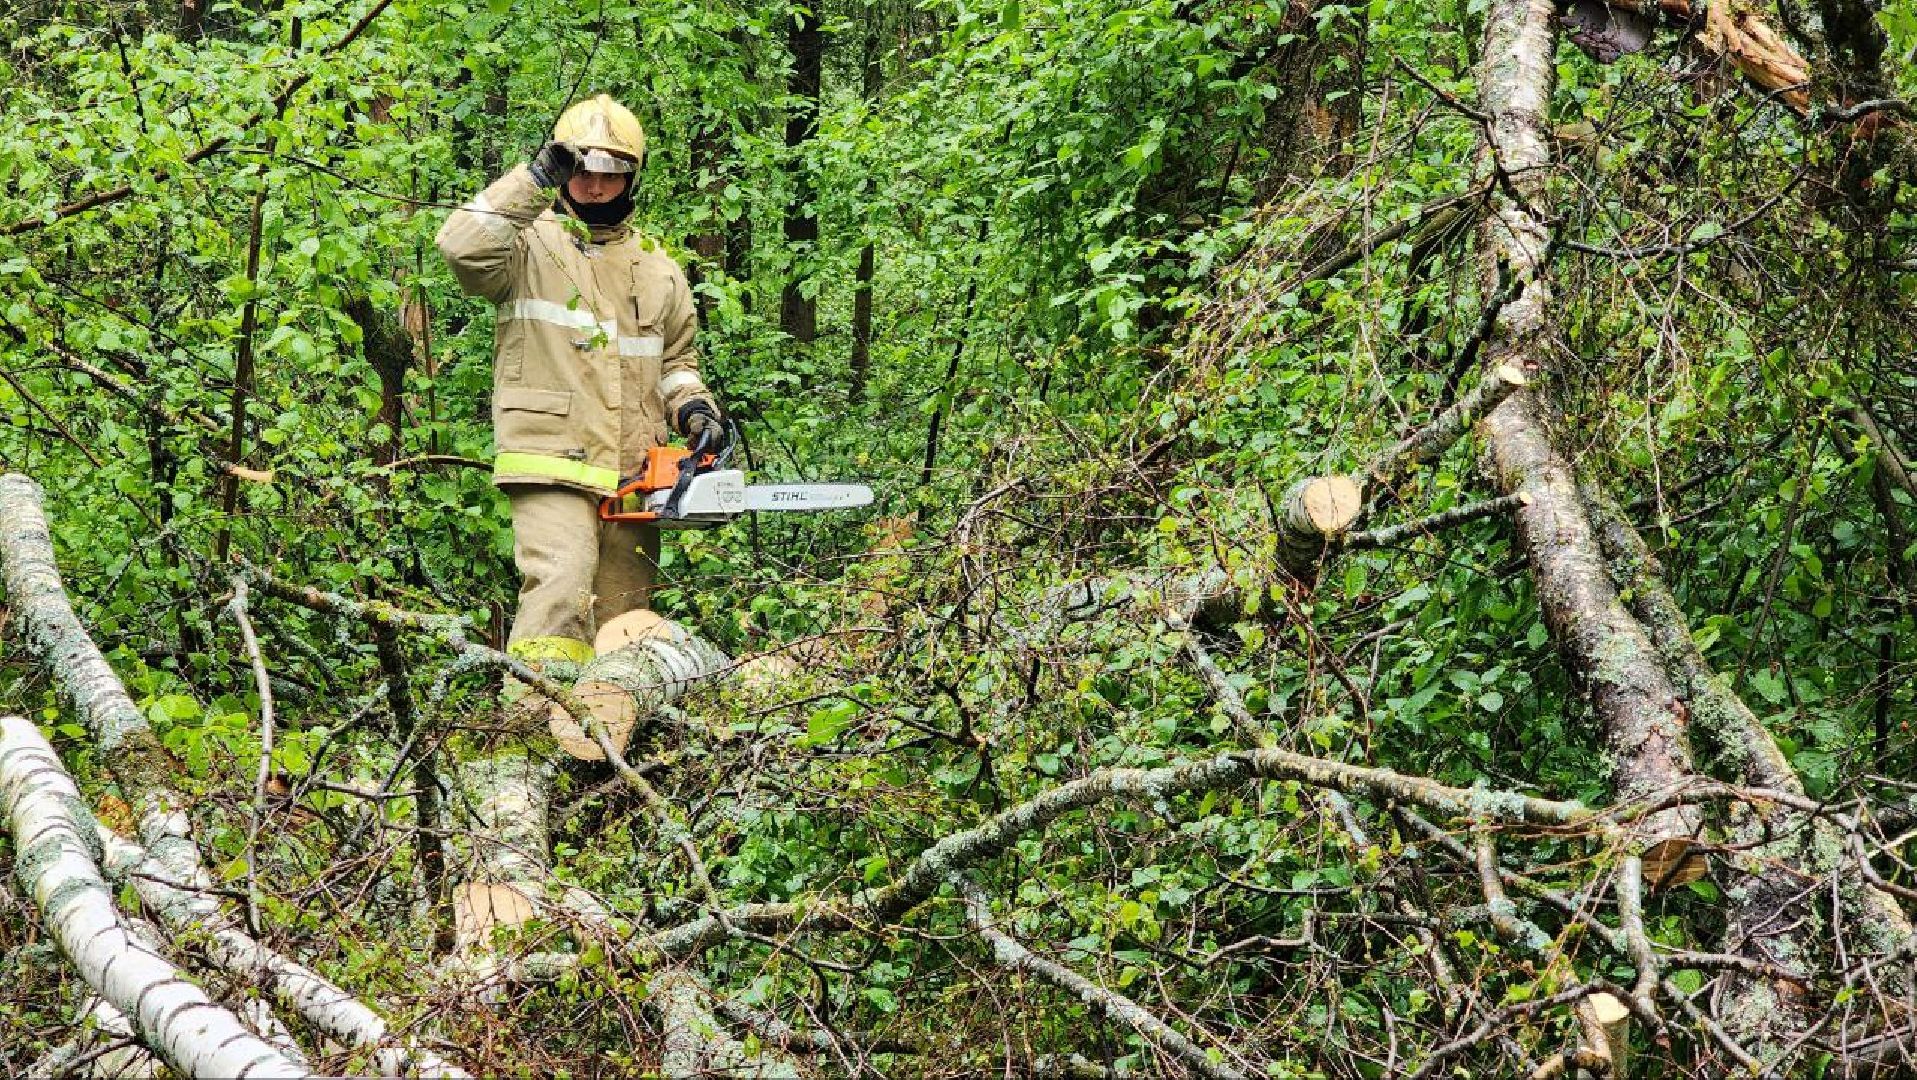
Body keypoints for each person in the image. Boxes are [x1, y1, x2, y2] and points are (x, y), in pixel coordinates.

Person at [436, 94, 726, 674]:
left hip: (633, 473)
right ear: (566, 167)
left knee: (625, 618)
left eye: (611, 175)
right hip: (551, 457)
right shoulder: (525, 244)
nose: (596, 187)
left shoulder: (657, 266)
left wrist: (695, 409)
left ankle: (609, 744)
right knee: (561, 588)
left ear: (631, 177)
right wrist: (532, 180)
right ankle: (531, 733)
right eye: (584, 171)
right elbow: (461, 245)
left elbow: (676, 361)